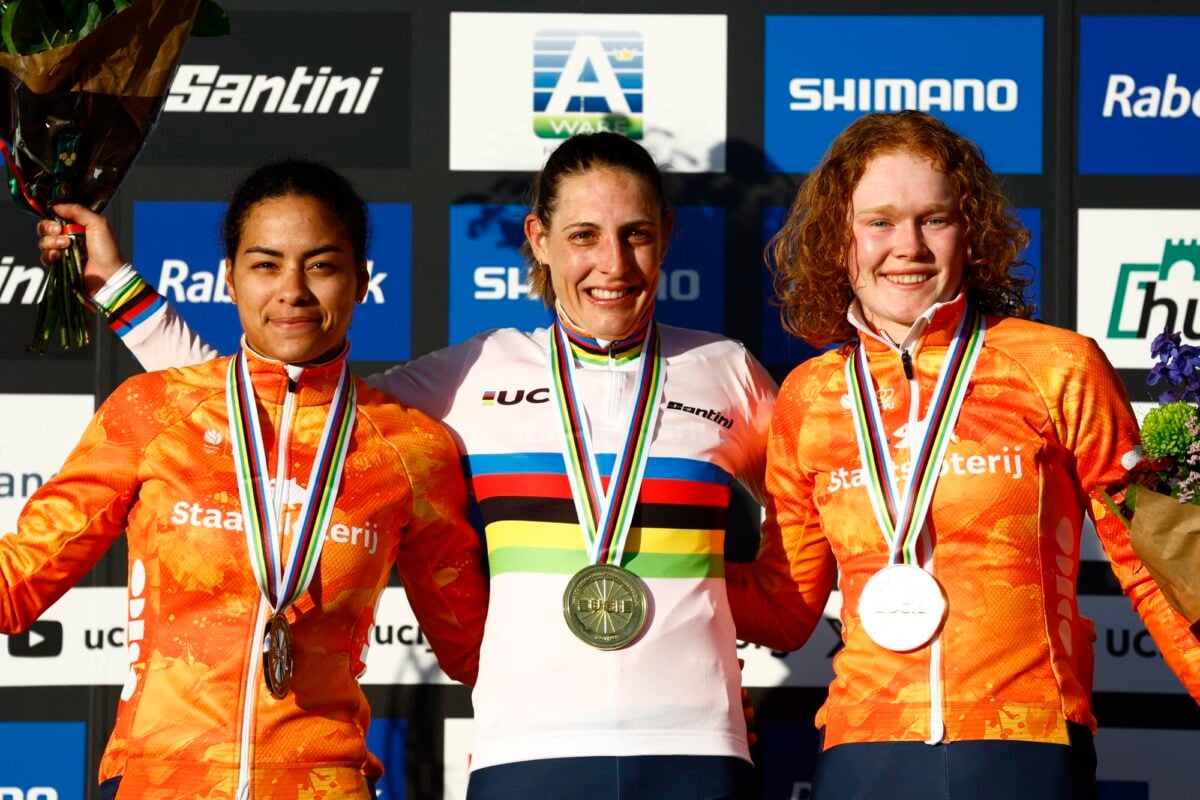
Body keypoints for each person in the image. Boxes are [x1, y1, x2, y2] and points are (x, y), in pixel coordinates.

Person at [38, 133, 780, 799]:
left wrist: (712, 622)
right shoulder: (468, 375)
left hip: (695, 746)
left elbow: (829, 507)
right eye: (583, 234)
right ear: (540, 238)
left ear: (667, 239)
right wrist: (122, 295)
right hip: (521, 752)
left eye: (636, 235)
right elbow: (266, 413)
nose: (611, 264)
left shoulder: (726, 372)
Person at [731, 110, 1200, 798]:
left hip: (1026, 744)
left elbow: (1154, 561)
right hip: (864, 750)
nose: (908, 246)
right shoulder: (813, 395)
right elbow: (787, 607)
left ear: (970, 232)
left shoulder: (1058, 367)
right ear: (841, 239)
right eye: (880, 221)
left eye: (935, 219)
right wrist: (667, 574)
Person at [17, 159, 488, 799]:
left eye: (321, 264)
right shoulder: (153, 412)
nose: (292, 289)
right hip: (161, 782)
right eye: (265, 264)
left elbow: (475, 649)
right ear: (230, 281)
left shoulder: (409, 448)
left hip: (324, 785)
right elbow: (17, 580)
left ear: (362, 281)